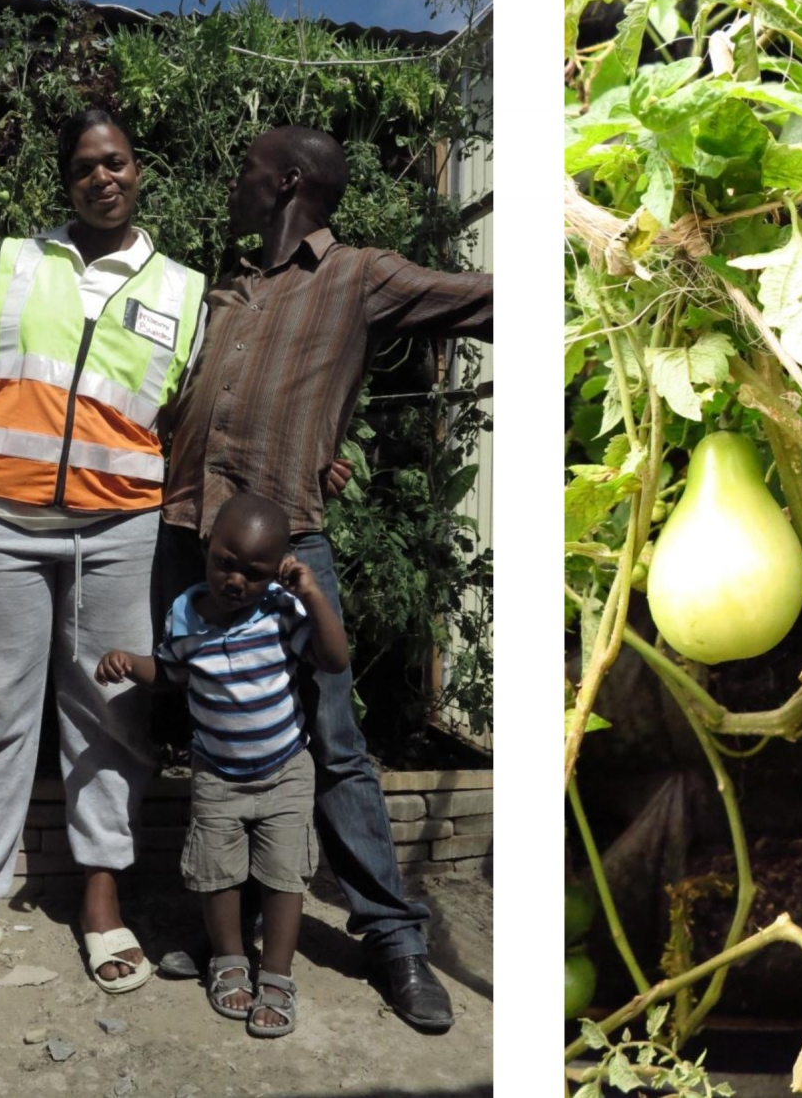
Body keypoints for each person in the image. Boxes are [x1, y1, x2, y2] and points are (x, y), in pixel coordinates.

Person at [153, 124, 491, 1031]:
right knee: (212, 723)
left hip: (286, 547)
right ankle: (236, 928)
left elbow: (490, 301)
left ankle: (394, 940)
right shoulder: (230, 290)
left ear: (287, 181)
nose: (235, 181)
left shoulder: (357, 275)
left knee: (335, 742)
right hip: (189, 531)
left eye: (246, 168)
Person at [0, 107, 206, 1004]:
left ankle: (101, 899)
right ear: (67, 181)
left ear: (140, 171)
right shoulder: (17, 261)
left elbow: (190, 422)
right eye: (86, 165)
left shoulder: (184, 288)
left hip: (121, 526)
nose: (104, 176)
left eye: (118, 161)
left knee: (114, 714)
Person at [96, 492, 345, 1037]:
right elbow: (170, 672)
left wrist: (312, 594)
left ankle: (276, 976)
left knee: (284, 879)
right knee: (217, 876)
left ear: (276, 571)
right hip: (216, 776)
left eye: (254, 574)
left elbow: (333, 660)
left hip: (284, 772)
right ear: (208, 548)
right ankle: (229, 962)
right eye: (225, 564)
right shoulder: (185, 611)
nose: (235, 581)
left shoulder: (282, 610)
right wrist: (128, 664)